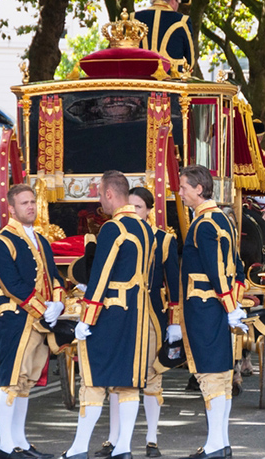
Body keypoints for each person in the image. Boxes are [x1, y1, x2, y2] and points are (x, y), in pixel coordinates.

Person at [62, 171, 155, 459]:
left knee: (93, 380)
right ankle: (123, 448)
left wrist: (86, 318)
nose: (100, 200)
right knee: (127, 383)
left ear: (111, 194)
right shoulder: (146, 228)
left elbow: (100, 278)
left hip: (110, 314)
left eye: (101, 195)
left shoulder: (113, 229)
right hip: (137, 314)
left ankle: (79, 448)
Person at [96, 187, 180, 458]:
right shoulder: (117, 232)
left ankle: (152, 438)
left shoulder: (163, 240)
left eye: (139, 207)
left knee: (152, 378)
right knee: (119, 377)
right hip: (122, 315)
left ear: (148, 211)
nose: (133, 212)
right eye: (130, 206)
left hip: (153, 316)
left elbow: (174, 286)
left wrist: (175, 322)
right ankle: (113, 439)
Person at [0, 184, 65, 459]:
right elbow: (12, 284)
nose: (30, 207)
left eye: (32, 202)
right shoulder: (0, 241)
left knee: (25, 382)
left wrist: (58, 301)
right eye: (24, 203)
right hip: (16, 318)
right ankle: (6, 446)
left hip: (40, 319)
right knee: (10, 380)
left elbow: (54, 277)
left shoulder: (42, 240)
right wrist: (42, 308)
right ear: (11, 208)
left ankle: (19, 441)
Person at [178, 164, 246, 459]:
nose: (179, 193)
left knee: (211, 376)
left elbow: (217, 271)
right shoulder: (223, 219)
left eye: (183, 187)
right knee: (220, 376)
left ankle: (216, 444)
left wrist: (231, 306)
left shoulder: (204, 223)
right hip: (218, 307)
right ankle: (220, 441)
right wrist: (235, 302)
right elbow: (238, 268)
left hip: (206, 308)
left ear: (199, 189)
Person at [135, 0, 194, 70]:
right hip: (172, 83)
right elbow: (190, 62)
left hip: (140, 82)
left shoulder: (133, 18)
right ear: (174, 0)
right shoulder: (183, 21)